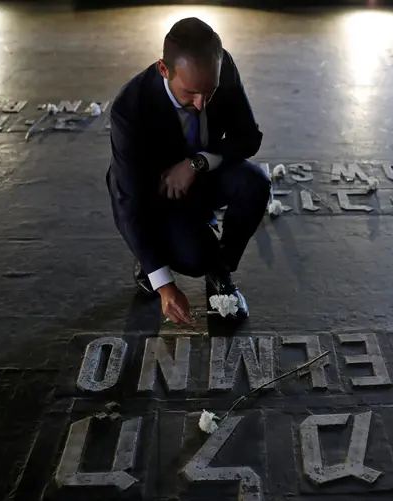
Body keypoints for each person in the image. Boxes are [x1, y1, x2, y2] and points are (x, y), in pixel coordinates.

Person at [106, 17, 270, 325]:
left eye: (209, 92)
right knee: (195, 259)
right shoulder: (129, 108)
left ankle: (221, 273)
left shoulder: (221, 69)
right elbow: (129, 201)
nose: (201, 104)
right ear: (164, 70)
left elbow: (249, 137)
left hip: (201, 173)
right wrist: (166, 287)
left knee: (256, 183)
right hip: (156, 191)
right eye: (190, 92)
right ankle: (149, 260)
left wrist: (197, 163)